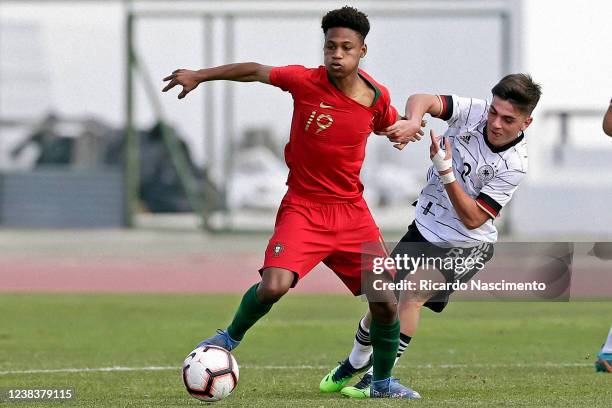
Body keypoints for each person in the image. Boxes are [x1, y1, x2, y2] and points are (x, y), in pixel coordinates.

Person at [162, 6, 423, 399]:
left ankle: (383, 384)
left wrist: (403, 129)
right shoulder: (305, 81)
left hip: (351, 213)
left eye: (346, 48)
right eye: (330, 46)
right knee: (273, 286)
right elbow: (255, 70)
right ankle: (226, 339)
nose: (336, 54)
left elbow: (387, 123)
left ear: (362, 51)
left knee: (386, 302)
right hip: (304, 206)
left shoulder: (375, 95)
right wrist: (200, 75)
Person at [319, 74, 542, 398]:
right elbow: (423, 98)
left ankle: (380, 381)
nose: (495, 123)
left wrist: (445, 170)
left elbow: (473, 218)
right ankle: (354, 363)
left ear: (527, 121)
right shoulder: (474, 111)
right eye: (494, 112)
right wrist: (413, 120)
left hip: (466, 244)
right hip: (425, 227)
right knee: (382, 301)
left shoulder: (514, 164)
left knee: (411, 295)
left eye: (508, 119)